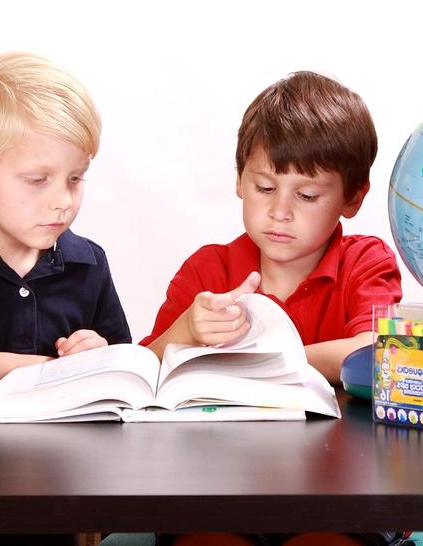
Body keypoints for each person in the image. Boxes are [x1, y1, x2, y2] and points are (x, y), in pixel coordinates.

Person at [140, 70, 401, 385]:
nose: (280, 212)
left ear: (353, 198)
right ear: (240, 179)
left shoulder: (365, 263)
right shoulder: (207, 271)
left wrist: (260, 363)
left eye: (307, 196)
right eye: (265, 188)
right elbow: (141, 369)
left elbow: (376, 353)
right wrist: (185, 333)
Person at [0, 51, 132, 389]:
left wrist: (98, 354)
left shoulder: (89, 264)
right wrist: (30, 367)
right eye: (37, 180)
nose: (64, 202)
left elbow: (125, 372)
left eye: (76, 178)